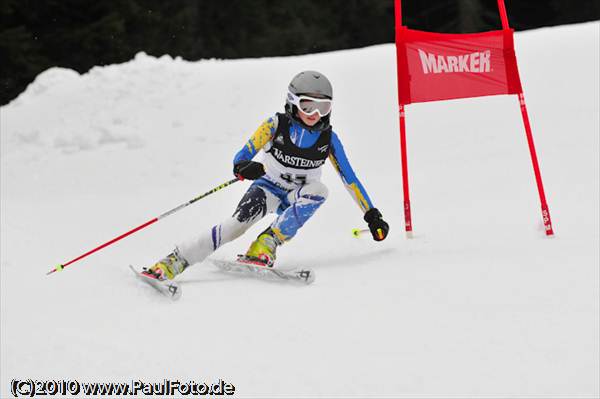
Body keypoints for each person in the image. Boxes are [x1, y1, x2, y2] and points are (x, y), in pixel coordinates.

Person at [145, 71, 390, 281]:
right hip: (268, 189)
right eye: (307, 105)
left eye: (323, 107)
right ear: (293, 101)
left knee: (319, 191)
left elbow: (350, 179)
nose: (314, 113)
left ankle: (267, 243)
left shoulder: (329, 140)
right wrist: (242, 166)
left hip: (298, 196)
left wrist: (371, 214)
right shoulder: (275, 125)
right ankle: (175, 261)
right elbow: (243, 154)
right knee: (233, 228)